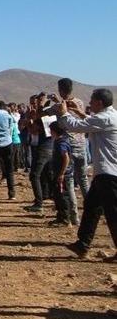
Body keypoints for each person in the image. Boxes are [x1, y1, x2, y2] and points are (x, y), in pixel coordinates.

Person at [58, 88, 117, 259]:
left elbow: (74, 126)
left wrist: (64, 114)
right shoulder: (110, 116)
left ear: (99, 102)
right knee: (92, 208)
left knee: (112, 214)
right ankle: (82, 244)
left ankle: (83, 244)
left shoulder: (104, 118)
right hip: (103, 173)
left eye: (92, 100)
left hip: (109, 174)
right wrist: (80, 112)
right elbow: (92, 121)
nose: (90, 103)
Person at [49, 122, 77, 227]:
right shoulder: (59, 141)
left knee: (63, 196)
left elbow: (66, 158)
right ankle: (60, 217)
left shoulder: (61, 143)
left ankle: (65, 219)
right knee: (58, 196)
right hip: (59, 173)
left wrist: (62, 173)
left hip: (63, 175)